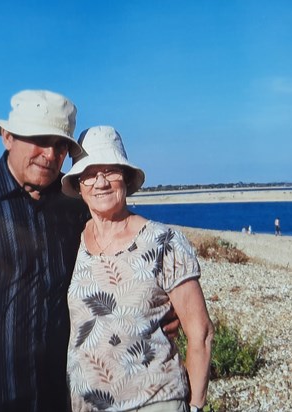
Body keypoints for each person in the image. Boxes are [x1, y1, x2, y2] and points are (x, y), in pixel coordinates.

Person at [0, 91, 180, 411]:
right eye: (40, 140)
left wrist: (168, 306)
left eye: (61, 145)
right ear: (8, 137)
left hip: (60, 394)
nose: (50, 153)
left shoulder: (74, 205)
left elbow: (121, 256)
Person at [61, 126, 214, 412]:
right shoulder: (72, 242)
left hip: (154, 401)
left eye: (111, 171)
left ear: (127, 178)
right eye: (90, 173)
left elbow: (201, 333)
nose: (101, 182)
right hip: (87, 405)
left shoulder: (163, 242)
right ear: (79, 184)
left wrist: (195, 407)